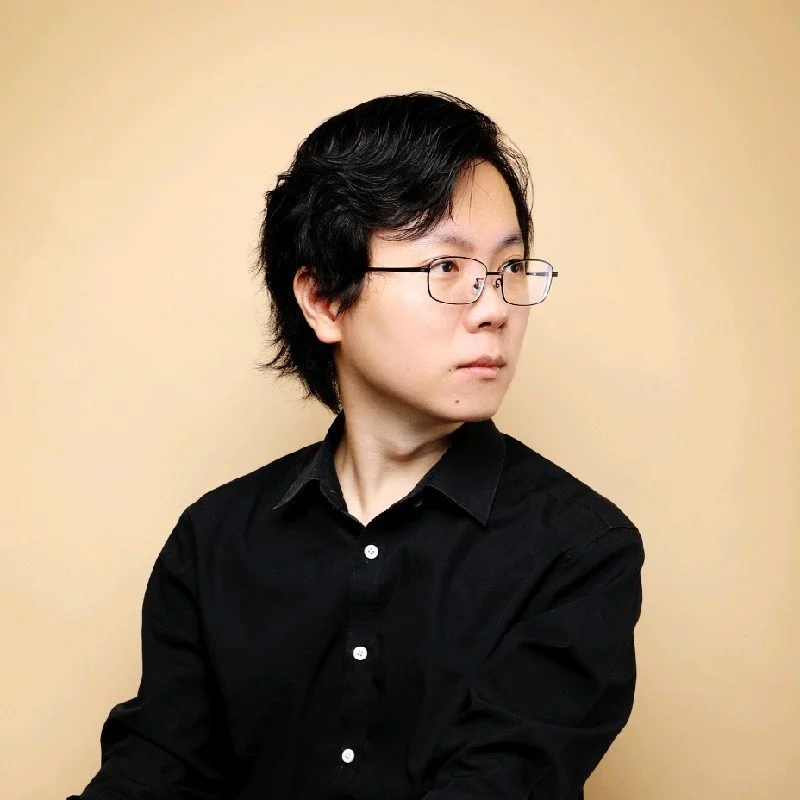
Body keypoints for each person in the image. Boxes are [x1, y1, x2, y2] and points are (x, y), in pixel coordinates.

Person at [68, 91, 644, 800]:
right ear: (323, 300)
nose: (494, 308)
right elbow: (153, 773)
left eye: (510, 269)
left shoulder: (581, 551)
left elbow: (498, 782)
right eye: (446, 270)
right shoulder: (214, 542)